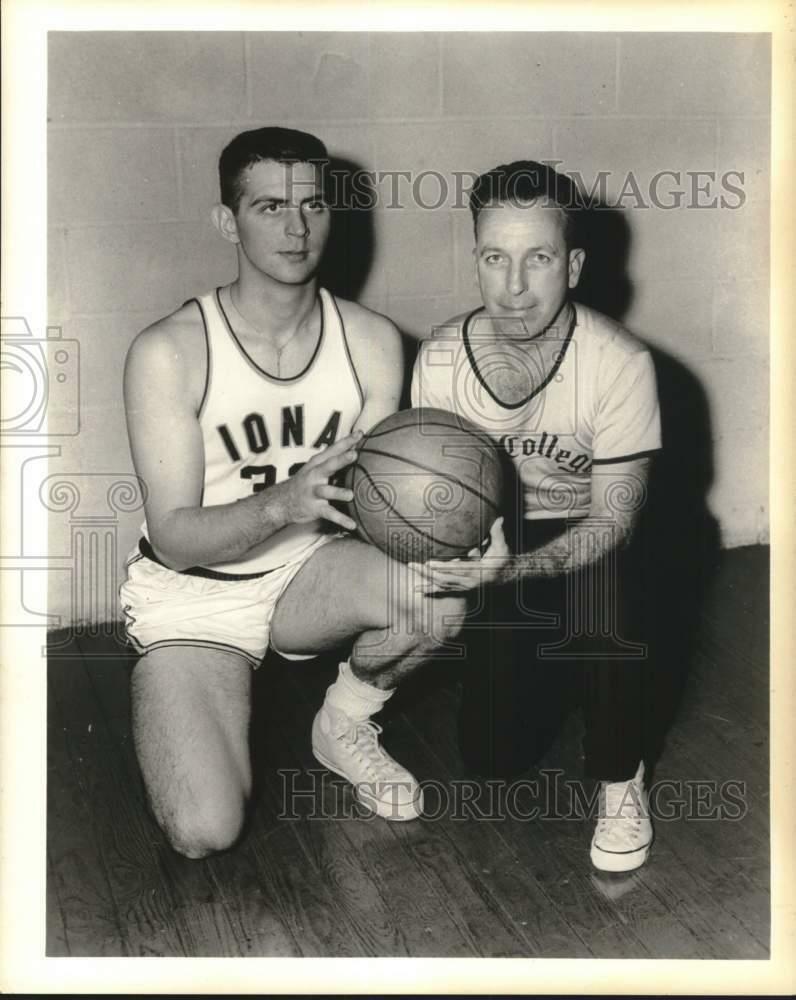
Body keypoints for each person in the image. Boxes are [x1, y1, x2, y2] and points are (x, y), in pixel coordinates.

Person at [120, 127, 466, 859]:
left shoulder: (371, 340)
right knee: (203, 832)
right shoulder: (168, 351)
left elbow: (381, 505)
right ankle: (173, 693)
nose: (296, 227)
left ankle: (342, 722)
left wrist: (452, 527)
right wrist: (282, 502)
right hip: (196, 592)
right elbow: (176, 536)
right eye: (270, 207)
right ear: (228, 221)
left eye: (311, 206)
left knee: (435, 597)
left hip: (307, 574)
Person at [410, 160, 661, 872]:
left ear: (574, 265)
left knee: (608, 584)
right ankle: (554, 670)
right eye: (496, 258)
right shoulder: (437, 360)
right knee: (492, 758)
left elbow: (615, 524)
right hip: (498, 543)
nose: (514, 287)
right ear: (477, 260)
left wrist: (512, 569)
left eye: (539, 259)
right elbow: (431, 498)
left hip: (590, 543)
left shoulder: (620, 363)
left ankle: (620, 773)